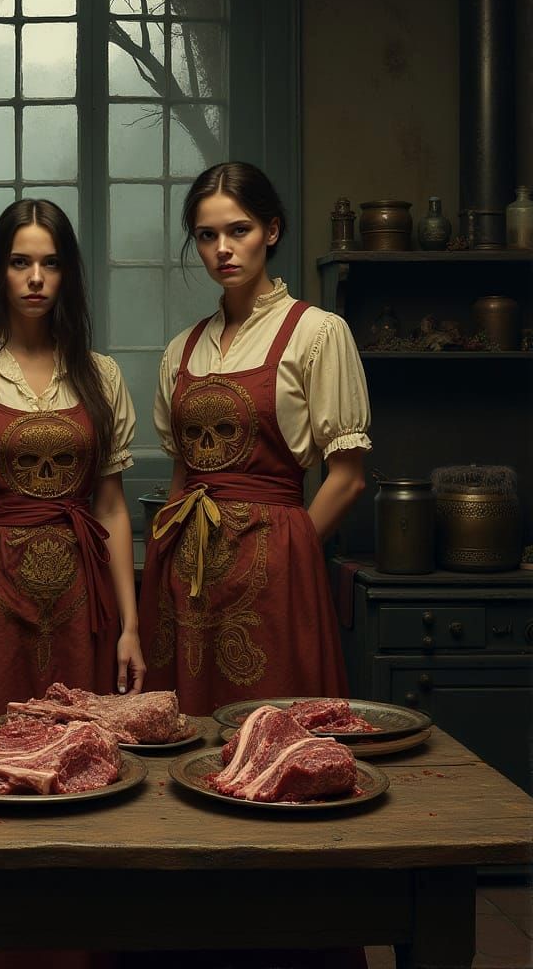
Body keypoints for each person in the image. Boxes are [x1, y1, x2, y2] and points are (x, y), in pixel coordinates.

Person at [134, 161, 370, 969]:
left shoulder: (315, 332)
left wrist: (285, 545)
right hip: (187, 575)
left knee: (275, 756)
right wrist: (159, 565)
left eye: (238, 230)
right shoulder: (183, 350)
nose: (223, 249)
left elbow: (348, 473)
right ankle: (188, 941)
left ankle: (289, 945)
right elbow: (176, 481)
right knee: (186, 750)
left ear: (271, 230)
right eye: (207, 234)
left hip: (274, 565)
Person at [0, 199, 146, 718]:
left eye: (51, 263)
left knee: (84, 757)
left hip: (82, 600)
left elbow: (111, 507)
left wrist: (130, 625)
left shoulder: (101, 375)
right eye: (20, 262)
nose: (36, 278)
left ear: (68, 274)